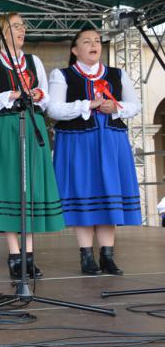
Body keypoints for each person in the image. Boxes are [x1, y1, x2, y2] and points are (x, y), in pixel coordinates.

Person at [0, 12, 65, 279]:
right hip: (6, 126)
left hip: (33, 123)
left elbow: (46, 100)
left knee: (31, 187)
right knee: (11, 186)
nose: (22, 30)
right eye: (15, 26)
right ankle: (14, 255)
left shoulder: (33, 61)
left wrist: (39, 95)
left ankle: (30, 254)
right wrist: (9, 95)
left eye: (23, 26)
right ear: (1, 31)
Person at [47, 27, 142, 275]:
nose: (94, 45)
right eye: (87, 41)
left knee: (108, 193)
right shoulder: (62, 75)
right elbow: (54, 109)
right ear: (75, 49)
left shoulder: (116, 74)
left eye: (97, 41)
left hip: (110, 140)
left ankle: (107, 255)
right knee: (84, 193)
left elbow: (135, 105)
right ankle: (86, 255)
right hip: (78, 141)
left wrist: (116, 108)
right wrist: (89, 104)